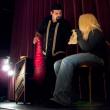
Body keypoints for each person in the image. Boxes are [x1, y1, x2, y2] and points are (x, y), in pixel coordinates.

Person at [49, 13, 107, 107]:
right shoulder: (86, 35)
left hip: (98, 58)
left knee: (67, 61)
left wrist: (79, 34)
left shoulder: (96, 32)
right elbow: (73, 44)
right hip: (89, 56)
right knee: (57, 63)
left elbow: (86, 48)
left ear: (86, 22)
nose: (79, 25)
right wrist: (74, 37)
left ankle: (61, 98)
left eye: (80, 22)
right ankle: (69, 96)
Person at [33, 3, 72, 100]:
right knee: (47, 76)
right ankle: (46, 98)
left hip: (59, 54)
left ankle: (58, 97)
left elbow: (70, 37)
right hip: (47, 54)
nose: (59, 15)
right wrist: (36, 37)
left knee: (57, 76)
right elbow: (39, 31)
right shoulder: (46, 20)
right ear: (51, 13)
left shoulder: (65, 23)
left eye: (60, 13)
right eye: (56, 13)